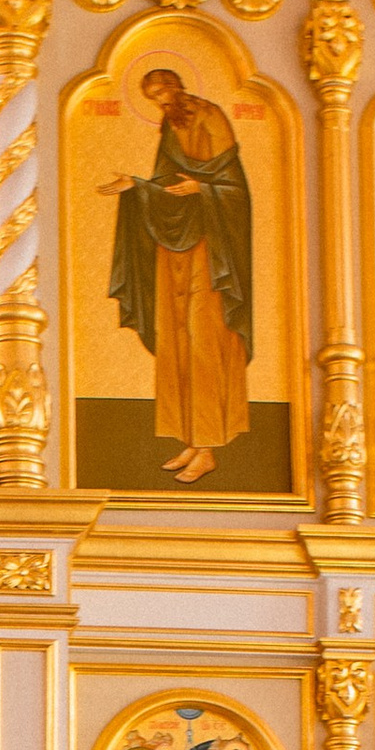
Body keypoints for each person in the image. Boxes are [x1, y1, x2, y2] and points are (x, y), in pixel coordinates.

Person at [103, 65, 252, 483]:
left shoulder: (210, 117)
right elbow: (166, 185)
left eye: (165, 95)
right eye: (155, 100)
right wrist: (135, 186)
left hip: (212, 249)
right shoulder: (171, 126)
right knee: (176, 338)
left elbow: (235, 190)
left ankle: (208, 446)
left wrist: (203, 191)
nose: (163, 105)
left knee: (203, 338)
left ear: (178, 88)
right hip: (175, 246)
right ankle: (190, 440)